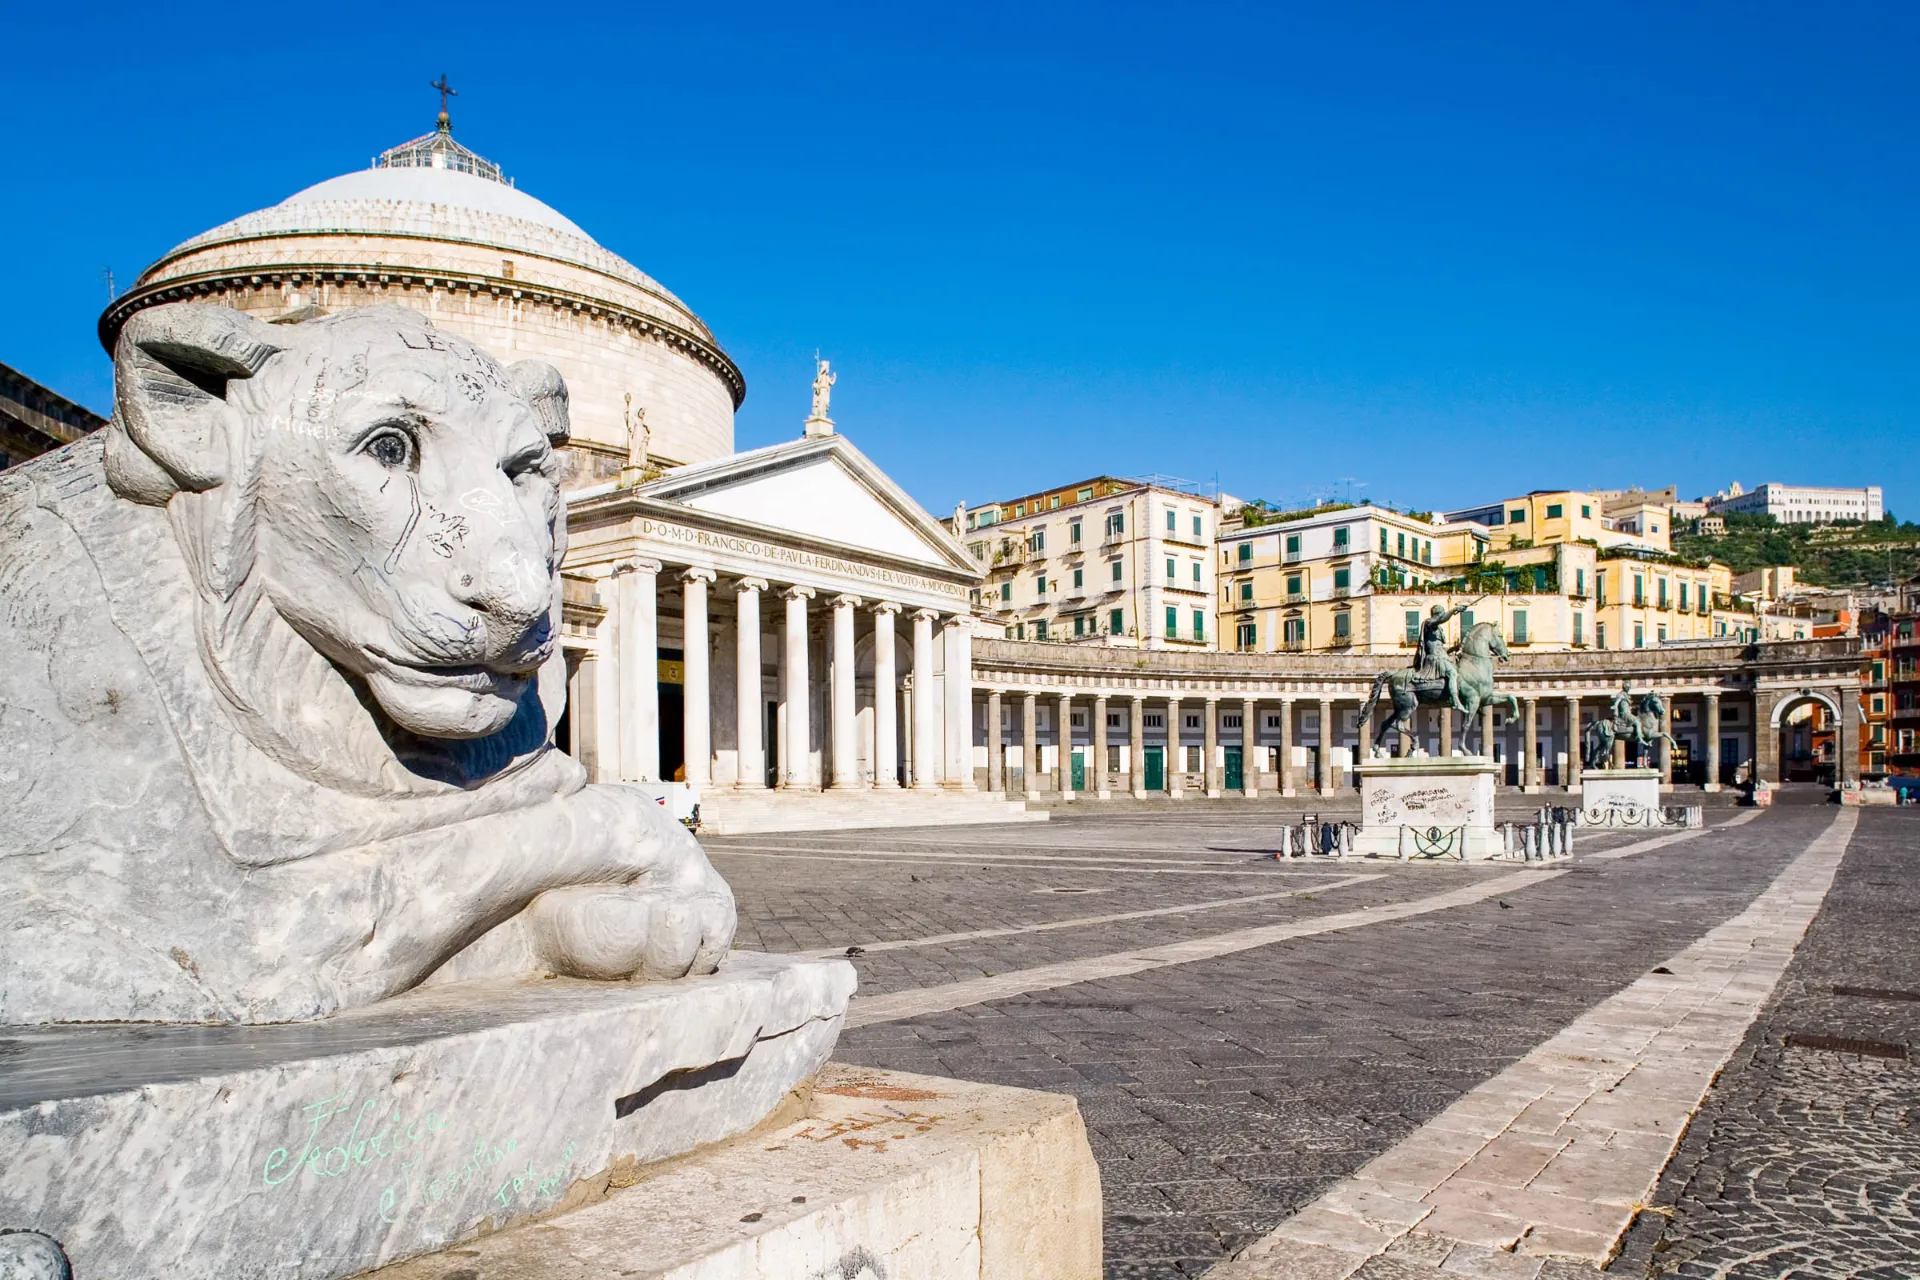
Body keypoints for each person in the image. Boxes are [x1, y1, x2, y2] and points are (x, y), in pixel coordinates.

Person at [1413, 602, 1470, 713]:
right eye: (1442, 614)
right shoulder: (1429, 623)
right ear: (1438, 614)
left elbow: (1441, 648)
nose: (1443, 616)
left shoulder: (1438, 628)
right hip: (1435, 658)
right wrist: (1454, 610)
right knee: (1452, 673)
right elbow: (1441, 620)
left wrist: (1454, 648)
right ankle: (1455, 701)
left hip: (1441, 656)